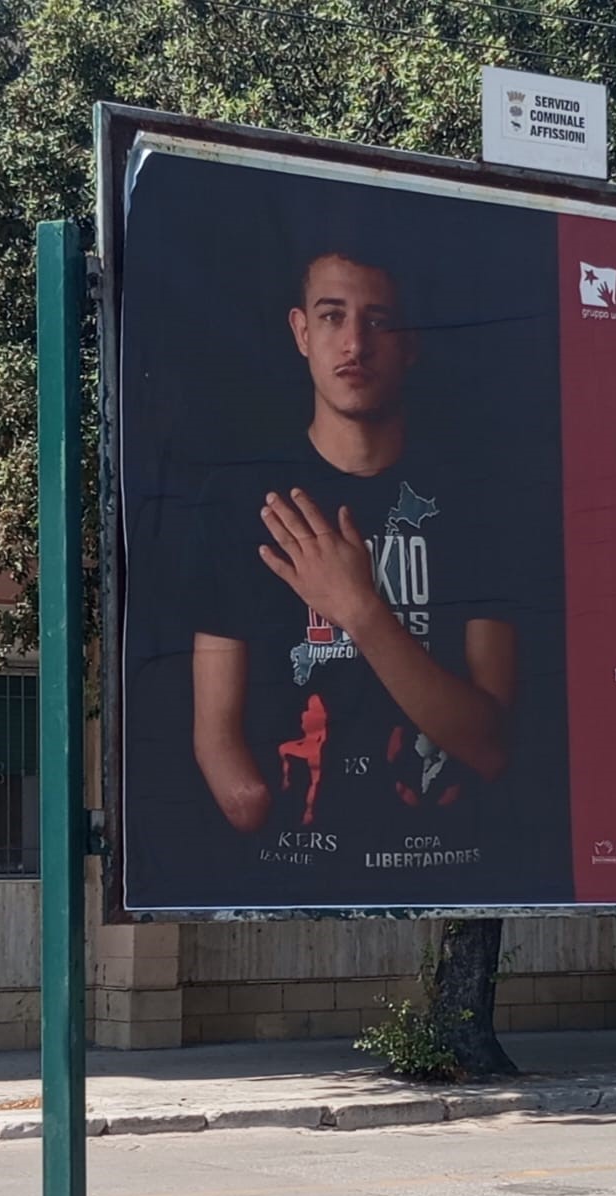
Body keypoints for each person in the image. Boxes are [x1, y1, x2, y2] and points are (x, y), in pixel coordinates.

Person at [186, 247, 519, 899]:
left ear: (410, 343)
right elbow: (214, 729)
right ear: (301, 332)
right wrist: (246, 801)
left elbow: (489, 747)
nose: (354, 343)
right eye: (332, 317)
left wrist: (359, 609)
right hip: (283, 880)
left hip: (439, 866)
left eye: (378, 320)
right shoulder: (243, 507)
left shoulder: (477, 507)